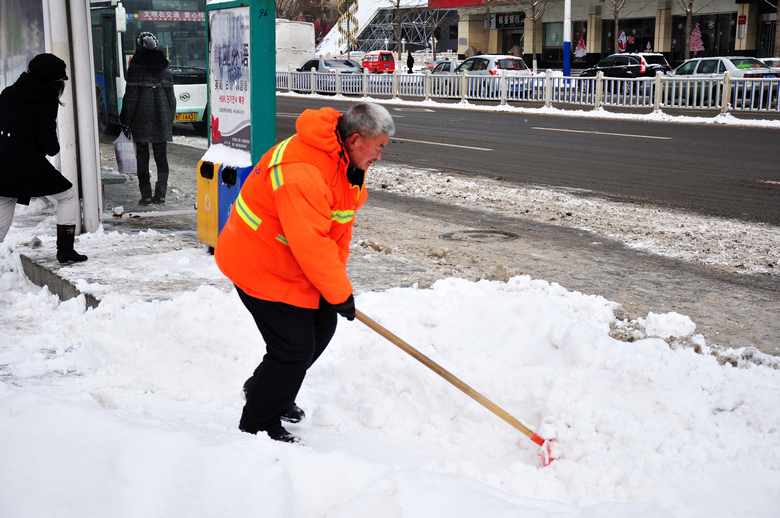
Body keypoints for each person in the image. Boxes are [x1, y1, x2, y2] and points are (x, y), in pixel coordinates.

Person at [215, 103, 395, 443]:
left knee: (322, 326)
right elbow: (311, 243)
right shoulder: (305, 171)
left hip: (288, 262)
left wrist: (334, 290)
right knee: (293, 347)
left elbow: (335, 231)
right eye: (380, 147)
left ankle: (266, 388)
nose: (380, 156)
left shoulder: (343, 159)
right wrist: (338, 291)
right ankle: (258, 422)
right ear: (356, 139)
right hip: (258, 263)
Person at [0, 53, 87, 263]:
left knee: (4, 204)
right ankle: (65, 250)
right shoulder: (47, 99)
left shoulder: (7, 93)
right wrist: (53, 147)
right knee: (67, 195)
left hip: (2, 160)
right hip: (27, 162)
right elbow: (48, 143)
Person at [120, 31, 176, 206]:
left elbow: (131, 97)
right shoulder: (164, 67)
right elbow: (171, 97)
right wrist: (169, 117)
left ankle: (145, 196)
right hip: (161, 116)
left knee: (142, 157)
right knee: (161, 157)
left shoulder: (135, 67)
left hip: (140, 118)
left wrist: (126, 120)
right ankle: (161, 195)